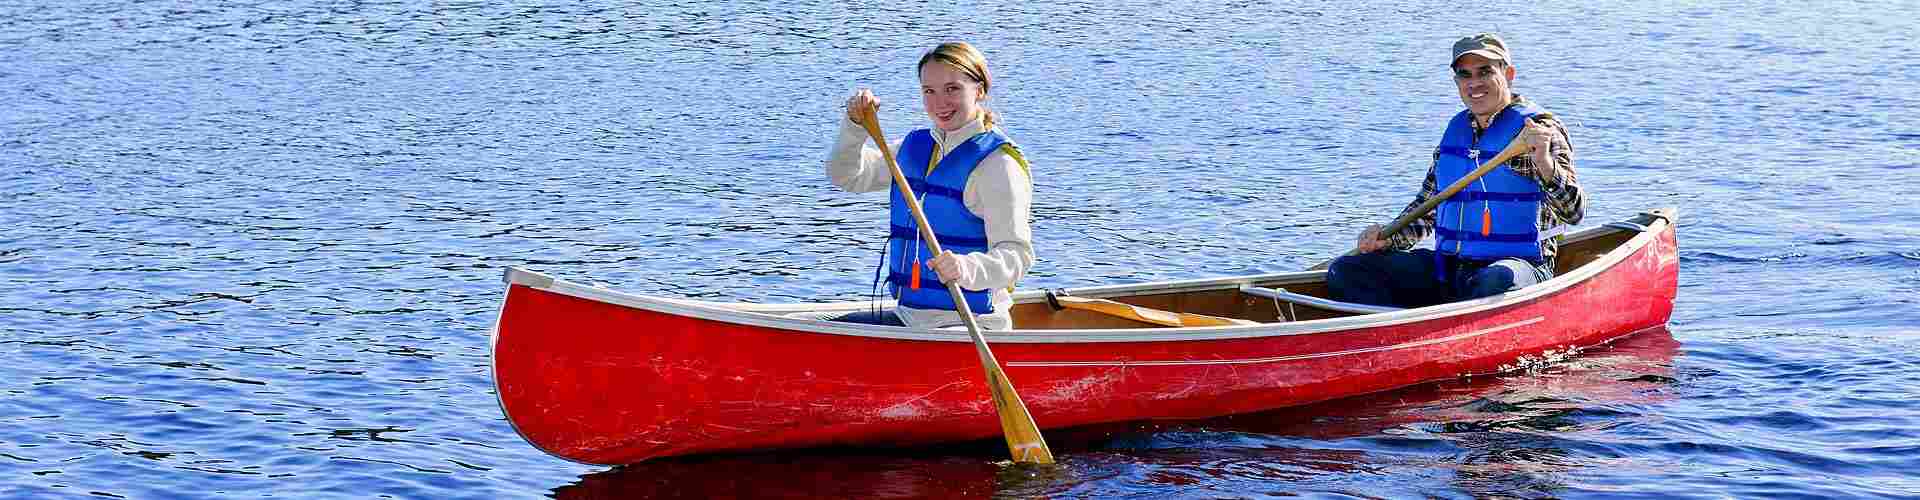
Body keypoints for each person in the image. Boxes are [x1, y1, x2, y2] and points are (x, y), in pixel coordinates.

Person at [1326, 33, 1585, 308]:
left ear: (1508, 74)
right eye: (1465, 75)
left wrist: (1545, 163)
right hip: (1449, 268)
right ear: (1457, 82)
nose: (1475, 83)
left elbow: (1575, 213)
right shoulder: (1456, 131)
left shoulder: (1537, 130)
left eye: (1485, 71)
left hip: (1519, 267)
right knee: (1347, 270)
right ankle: (1396, 337)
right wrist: (1388, 239)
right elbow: (1428, 207)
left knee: (1495, 280)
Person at [823, 41, 1035, 330]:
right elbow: (847, 176)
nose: (939, 103)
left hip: (972, 325)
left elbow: (1016, 255)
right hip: (911, 316)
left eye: (952, 89)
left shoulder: (998, 165)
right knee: (826, 332)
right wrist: (854, 126)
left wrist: (965, 267)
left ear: (980, 90)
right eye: (929, 91)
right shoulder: (915, 148)